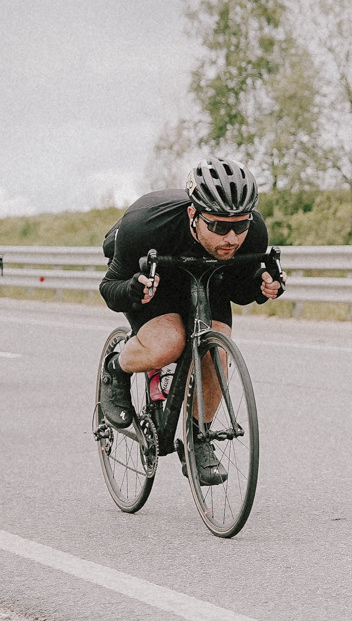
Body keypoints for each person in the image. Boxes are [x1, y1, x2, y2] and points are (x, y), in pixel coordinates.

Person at [93, 160, 286, 485]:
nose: (232, 238)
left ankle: (199, 437)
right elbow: (109, 290)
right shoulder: (146, 223)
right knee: (168, 343)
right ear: (193, 216)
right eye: (220, 227)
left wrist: (262, 287)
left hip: (207, 278)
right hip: (157, 276)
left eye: (240, 226)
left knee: (217, 351)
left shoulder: (252, 232)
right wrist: (134, 288)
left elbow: (239, 290)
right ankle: (116, 368)